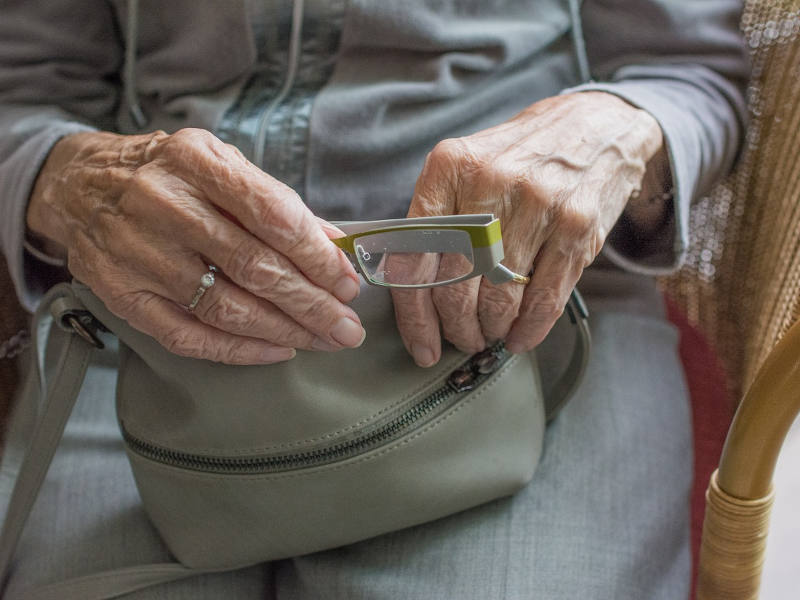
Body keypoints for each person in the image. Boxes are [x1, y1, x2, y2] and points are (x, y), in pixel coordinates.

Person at [0, 0, 747, 598]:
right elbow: (25, 94)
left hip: (508, 321)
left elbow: (691, 80)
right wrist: (77, 181)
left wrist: (608, 129)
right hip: (156, 317)